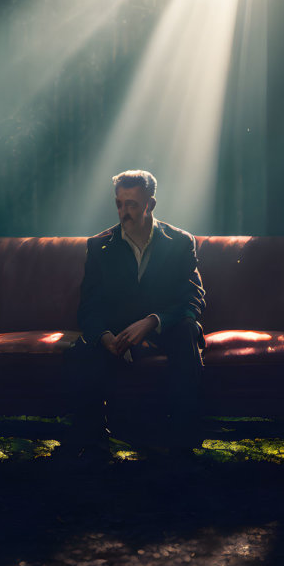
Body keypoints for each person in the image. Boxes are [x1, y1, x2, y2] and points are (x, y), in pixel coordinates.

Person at [66, 169, 206, 459]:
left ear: (150, 205)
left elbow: (193, 298)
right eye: (119, 203)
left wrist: (154, 321)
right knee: (84, 348)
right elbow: (89, 305)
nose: (123, 212)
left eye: (131, 204)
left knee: (186, 331)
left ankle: (183, 444)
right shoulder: (99, 245)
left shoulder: (180, 242)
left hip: (166, 327)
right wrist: (104, 336)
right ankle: (92, 443)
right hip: (117, 330)